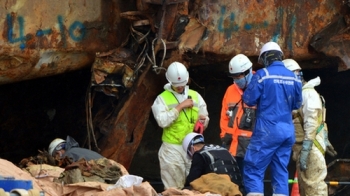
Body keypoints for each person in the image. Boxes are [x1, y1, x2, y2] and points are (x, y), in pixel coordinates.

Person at [242, 42, 302, 196]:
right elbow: (297, 104)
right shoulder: (295, 78)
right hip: (287, 132)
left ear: (266, 58)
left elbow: (249, 100)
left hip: (267, 131)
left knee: (253, 168)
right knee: (280, 171)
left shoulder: (263, 75)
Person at [151, 61, 210, 190]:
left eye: (182, 84)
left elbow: (205, 117)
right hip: (172, 149)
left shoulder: (195, 96)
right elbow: (162, 121)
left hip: (192, 148)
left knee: (195, 187)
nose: (180, 87)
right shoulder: (162, 99)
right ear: (170, 81)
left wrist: (202, 122)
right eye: (177, 85)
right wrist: (179, 107)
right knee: (174, 189)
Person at [284, 58, 337, 196]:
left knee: (313, 187)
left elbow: (312, 122)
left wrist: (307, 149)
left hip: (310, 148)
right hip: (304, 148)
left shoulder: (307, 94)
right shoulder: (300, 94)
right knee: (307, 187)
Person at [220, 54, 256, 175]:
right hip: (231, 148)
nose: (236, 80)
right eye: (234, 77)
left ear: (248, 72)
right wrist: (224, 138)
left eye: (238, 76)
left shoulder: (260, 88)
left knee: (250, 185)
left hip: (251, 149)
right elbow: (224, 117)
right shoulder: (230, 90)